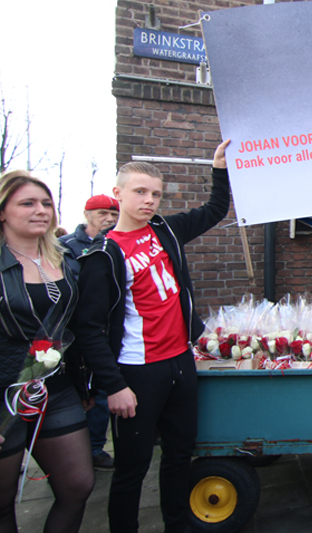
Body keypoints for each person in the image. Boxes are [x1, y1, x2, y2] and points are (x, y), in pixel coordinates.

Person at [71, 140, 231, 533]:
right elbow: (89, 329)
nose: (149, 201)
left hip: (181, 362)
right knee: (132, 467)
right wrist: (113, 386)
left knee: (180, 454)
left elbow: (214, 210)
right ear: (118, 193)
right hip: (138, 370)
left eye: (156, 194)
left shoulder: (165, 229)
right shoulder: (102, 255)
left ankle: (177, 525)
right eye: (140, 192)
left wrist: (219, 169)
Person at [0, 170, 94, 532]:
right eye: (27, 203)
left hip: (56, 389)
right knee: (2, 499)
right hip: (5, 395)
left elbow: (79, 328)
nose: (41, 210)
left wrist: (84, 384)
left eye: (46, 203)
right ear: (3, 211)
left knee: (77, 485)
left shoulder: (67, 259)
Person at [59, 194, 120, 471]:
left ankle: (94, 448)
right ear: (87, 214)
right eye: (102, 213)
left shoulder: (116, 244)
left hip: (107, 329)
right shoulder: (65, 247)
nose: (109, 219)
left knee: (103, 391)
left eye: (113, 214)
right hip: (74, 331)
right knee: (79, 392)